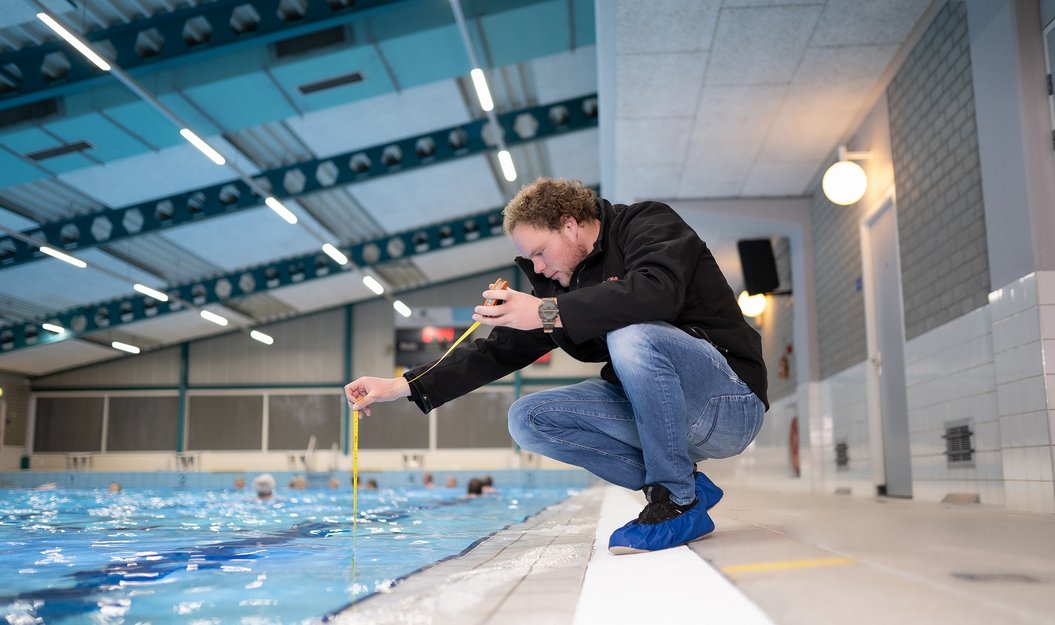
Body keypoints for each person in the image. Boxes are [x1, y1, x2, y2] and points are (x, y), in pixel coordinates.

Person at [345, 178, 768, 554]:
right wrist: (399, 385)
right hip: (664, 416)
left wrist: (547, 312)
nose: (540, 268)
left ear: (570, 225)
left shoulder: (647, 223)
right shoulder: (560, 283)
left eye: (541, 253)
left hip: (728, 402)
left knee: (630, 334)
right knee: (528, 419)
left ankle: (675, 500)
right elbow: (498, 351)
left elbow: (655, 293)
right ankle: (687, 486)